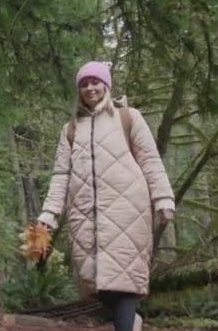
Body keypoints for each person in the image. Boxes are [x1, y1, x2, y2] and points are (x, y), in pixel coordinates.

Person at [37, 61, 175, 331]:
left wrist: (163, 198)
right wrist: (49, 215)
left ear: (107, 85)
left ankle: (127, 323)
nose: (90, 88)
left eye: (95, 82)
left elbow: (150, 160)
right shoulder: (70, 129)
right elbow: (60, 176)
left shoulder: (128, 117)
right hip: (84, 215)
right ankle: (131, 322)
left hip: (127, 210)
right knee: (99, 285)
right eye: (84, 84)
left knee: (124, 283)